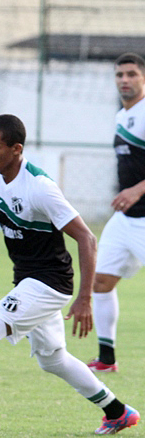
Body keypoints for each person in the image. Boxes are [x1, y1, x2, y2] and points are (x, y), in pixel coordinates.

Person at [0, 114, 139, 438]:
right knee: (53, 359)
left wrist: (85, 298)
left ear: (16, 149)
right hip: (28, 281)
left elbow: (87, 238)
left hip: (50, 283)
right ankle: (117, 412)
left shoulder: (40, 187)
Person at [86, 52, 145, 373]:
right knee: (101, 281)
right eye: (120, 75)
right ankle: (106, 359)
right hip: (125, 220)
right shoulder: (123, 116)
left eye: (132, 74)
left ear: (143, 78)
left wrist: (137, 189)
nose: (125, 80)